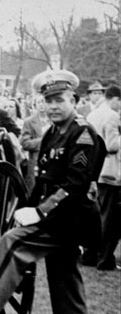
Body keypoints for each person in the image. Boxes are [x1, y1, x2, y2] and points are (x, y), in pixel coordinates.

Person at [0, 70, 105, 314]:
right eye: (49, 101)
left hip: (71, 218)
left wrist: (39, 212)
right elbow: (42, 180)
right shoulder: (52, 133)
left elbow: (75, 187)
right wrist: (24, 207)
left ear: (74, 101)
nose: (53, 107)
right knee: (64, 279)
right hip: (58, 217)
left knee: (13, 244)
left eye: (60, 100)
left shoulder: (82, 133)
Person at [86, 84, 121, 270]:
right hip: (110, 172)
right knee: (110, 218)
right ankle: (105, 258)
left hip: (95, 171)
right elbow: (112, 145)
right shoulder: (112, 115)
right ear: (114, 99)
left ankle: (90, 254)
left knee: (97, 215)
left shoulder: (93, 114)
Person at [20, 93, 51, 192]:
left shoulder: (55, 120)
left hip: (52, 162)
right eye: (39, 102)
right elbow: (25, 143)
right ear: (35, 105)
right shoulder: (29, 122)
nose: (42, 104)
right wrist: (44, 140)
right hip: (35, 162)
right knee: (34, 192)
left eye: (44, 101)